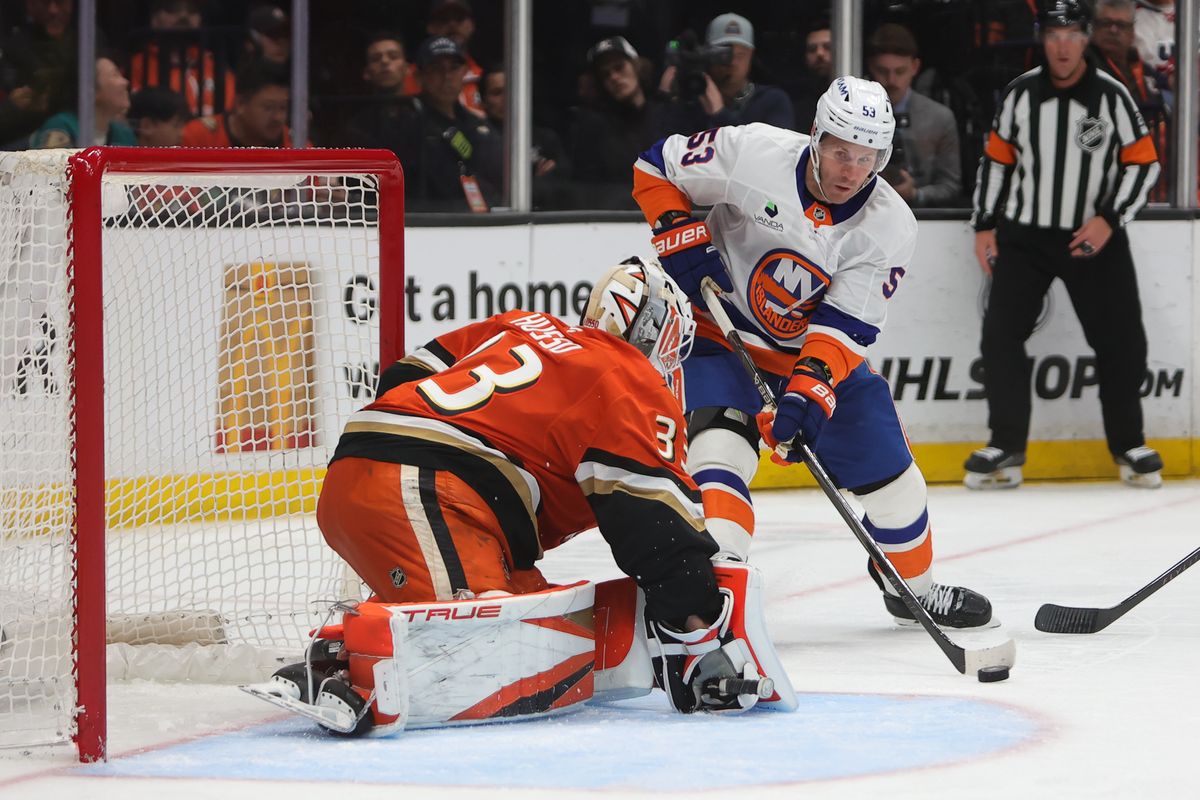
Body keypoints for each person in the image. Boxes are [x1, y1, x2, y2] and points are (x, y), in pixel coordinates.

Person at [252, 259, 795, 735]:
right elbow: (653, 527)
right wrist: (697, 627)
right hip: (426, 491)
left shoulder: (521, 325)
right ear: (655, 334)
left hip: (374, 473)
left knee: (534, 611)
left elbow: (403, 375)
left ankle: (359, 638)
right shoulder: (629, 379)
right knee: (491, 655)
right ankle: (342, 667)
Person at [631, 76, 995, 630]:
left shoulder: (890, 225)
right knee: (720, 455)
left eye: (867, 157)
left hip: (813, 353)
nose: (852, 170)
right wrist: (677, 232)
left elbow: (844, 328)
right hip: (720, 338)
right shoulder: (752, 151)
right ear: (815, 136)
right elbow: (657, 167)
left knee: (900, 492)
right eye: (841, 152)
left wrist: (808, 395)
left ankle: (911, 590)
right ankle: (716, 593)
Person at [967, 0, 1163, 490]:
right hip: (1026, 236)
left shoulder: (1112, 96)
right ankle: (1006, 444)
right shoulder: (1020, 94)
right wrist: (984, 225)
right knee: (1000, 335)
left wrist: (1110, 219)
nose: (1062, 45)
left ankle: (1129, 444)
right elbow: (996, 161)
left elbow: (1145, 163)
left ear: (1085, 38)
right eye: (1053, 35)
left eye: (1072, 34)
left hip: (1092, 238)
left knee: (1121, 341)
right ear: (1042, 38)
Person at [569, 36, 673, 210]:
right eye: (606, 75)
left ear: (635, 66)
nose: (615, 77)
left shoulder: (667, 116)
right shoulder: (594, 131)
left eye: (619, 67)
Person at [400, 35, 503, 212]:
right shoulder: (405, 123)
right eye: (436, 68)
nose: (446, 76)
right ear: (419, 76)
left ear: (464, 72)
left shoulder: (479, 125)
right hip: (423, 221)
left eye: (454, 68)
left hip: (479, 220)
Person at [866, 23, 963, 208]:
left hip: (923, 218)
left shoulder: (940, 118)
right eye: (883, 71)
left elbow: (951, 186)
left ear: (915, 67)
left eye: (900, 71)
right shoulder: (852, 113)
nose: (892, 80)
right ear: (871, 66)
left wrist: (916, 194)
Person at [658, 12, 793, 134]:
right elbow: (663, 149)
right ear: (706, 54)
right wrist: (666, 99)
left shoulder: (772, 101)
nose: (732, 62)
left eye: (740, 55)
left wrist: (720, 114)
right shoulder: (691, 103)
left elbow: (774, 153)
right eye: (722, 55)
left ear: (751, 56)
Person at [1090, 0, 1170, 203]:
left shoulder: (1139, 66)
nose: (1113, 31)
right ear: (1093, 27)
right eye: (1106, 23)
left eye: (1121, 25)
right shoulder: (1085, 67)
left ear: (1132, 31)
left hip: (1146, 163)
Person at [479, 65, 572, 209]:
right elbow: (490, 194)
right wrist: (537, 183)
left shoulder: (547, 138)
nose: (506, 98)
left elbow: (565, 186)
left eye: (511, 89)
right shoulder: (477, 141)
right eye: (497, 93)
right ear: (483, 101)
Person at [127, 0, 236, 118]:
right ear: (155, 19)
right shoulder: (137, 66)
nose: (183, 16)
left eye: (192, 10)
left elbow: (232, 109)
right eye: (172, 9)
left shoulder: (212, 63)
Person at [181, 59, 297, 147]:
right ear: (240, 104)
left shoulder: (294, 143)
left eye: (283, 108)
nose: (278, 118)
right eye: (268, 108)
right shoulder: (199, 137)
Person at [30, 55, 137, 147]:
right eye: (115, 75)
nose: (125, 82)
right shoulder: (61, 127)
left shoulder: (124, 135)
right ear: (91, 91)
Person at [340, 32, 418, 157]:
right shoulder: (357, 127)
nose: (385, 61)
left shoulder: (425, 116)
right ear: (366, 73)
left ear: (407, 68)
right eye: (376, 58)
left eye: (393, 56)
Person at [423, 0, 483, 114]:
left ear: (471, 25)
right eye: (444, 19)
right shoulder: (413, 77)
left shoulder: (484, 79)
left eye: (459, 19)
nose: (452, 24)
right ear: (430, 27)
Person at [789, 18, 832, 134]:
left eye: (828, 47)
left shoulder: (861, 97)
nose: (820, 54)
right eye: (812, 49)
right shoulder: (795, 104)